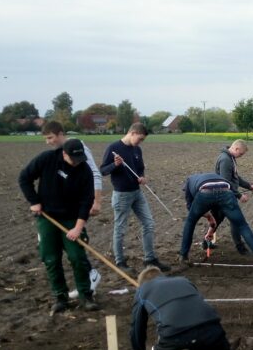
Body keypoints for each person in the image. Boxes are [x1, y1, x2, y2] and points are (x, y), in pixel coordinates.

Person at [18, 138, 100, 313]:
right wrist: (34, 201)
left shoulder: (84, 170)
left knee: (78, 257)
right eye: (73, 159)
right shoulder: (47, 159)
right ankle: (60, 297)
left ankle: (86, 295)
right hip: (48, 218)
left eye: (80, 159)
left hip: (72, 218)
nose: (77, 163)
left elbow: (86, 201)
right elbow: (24, 178)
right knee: (51, 259)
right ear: (64, 153)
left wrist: (78, 228)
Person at [130, 266, 234, 350]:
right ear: (162, 276)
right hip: (211, 329)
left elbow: (137, 330)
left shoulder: (142, 290)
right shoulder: (183, 280)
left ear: (142, 283)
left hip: (174, 335)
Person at [42, 120, 103, 294]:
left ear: (61, 134)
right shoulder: (56, 154)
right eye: (46, 139)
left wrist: (96, 201)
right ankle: (88, 275)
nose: (48, 142)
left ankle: (91, 274)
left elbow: (94, 173)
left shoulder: (77, 147)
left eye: (51, 137)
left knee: (75, 241)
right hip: (59, 208)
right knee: (62, 243)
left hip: (77, 207)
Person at [100, 123, 170, 273]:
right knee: (120, 228)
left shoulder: (137, 149)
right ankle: (120, 262)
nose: (140, 142)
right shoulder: (113, 148)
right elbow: (103, 171)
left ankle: (150, 260)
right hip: (121, 195)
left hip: (137, 193)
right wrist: (115, 164)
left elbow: (140, 168)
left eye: (142, 140)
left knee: (149, 223)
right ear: (132, 133)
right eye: (139, 138)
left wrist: (142, 177)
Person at [177, 172, 253, 270]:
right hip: (225, 191)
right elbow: (230, 191)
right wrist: (210, 216)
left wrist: (207, 215)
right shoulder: (217, 178)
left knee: (190, 222)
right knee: (242, 226)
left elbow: (190, 207)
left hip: (205, 192)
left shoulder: (189, 182)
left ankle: (183, 256)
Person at [215, 139, 253, 256]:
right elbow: (226, 182)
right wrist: (239, 195)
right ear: (236, 149)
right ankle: (240, 247)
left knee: (217, 221)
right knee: (236, 222)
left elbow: (235, 177)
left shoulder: (230, 158)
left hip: (227, 196)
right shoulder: (225, 160)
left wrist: (249, 186)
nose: (241, 156)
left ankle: (206, 242)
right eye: (241, 154)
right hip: (224, 197)